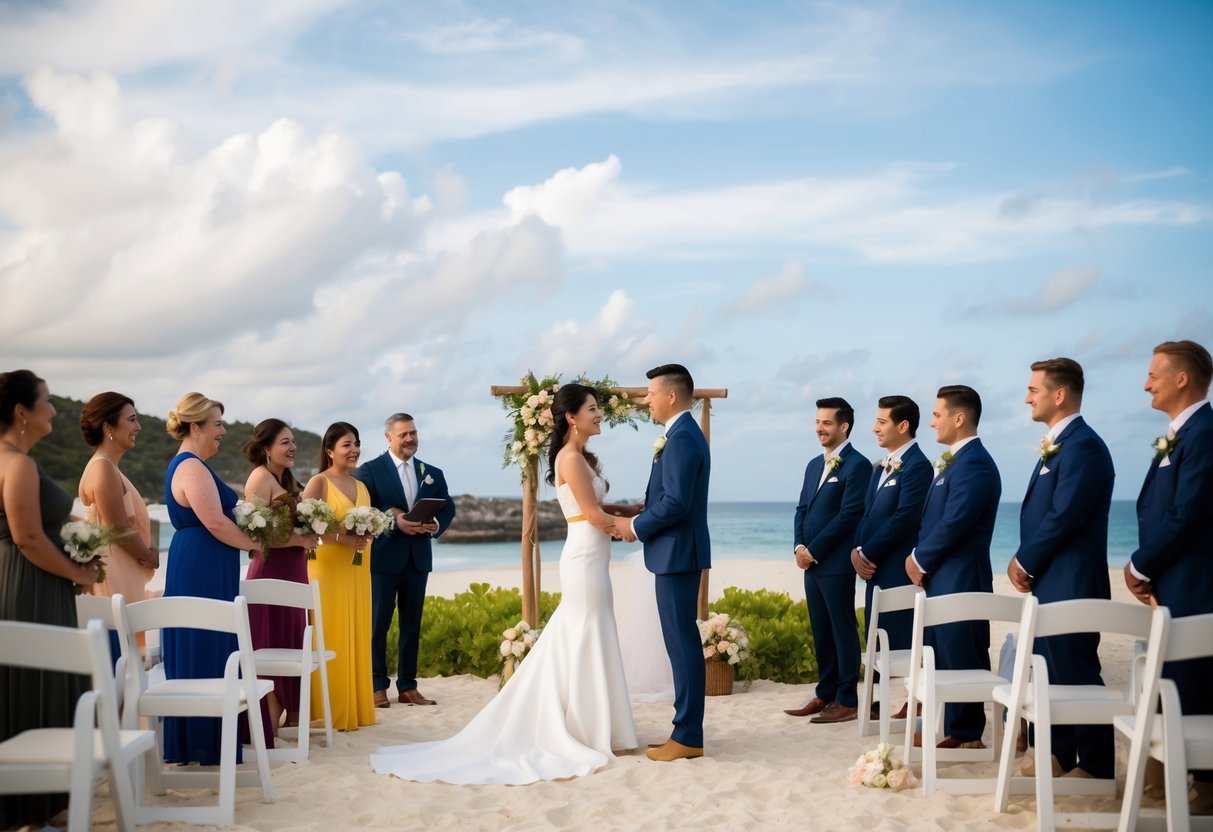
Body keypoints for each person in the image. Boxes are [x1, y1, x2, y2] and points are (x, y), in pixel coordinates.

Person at [370, 384, 637, 783]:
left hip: (592, 553)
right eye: (594, 409)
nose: (600, 415)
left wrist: (628, 511)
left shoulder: (579, 458)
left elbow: (597, 509)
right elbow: (592, 516)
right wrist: (633, 528)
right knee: (583, 631)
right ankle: (583, 725)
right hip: (584, 553)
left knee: (588, 631)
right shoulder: (571, 459)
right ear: (571, 417)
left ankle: (596, 723)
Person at [0, 370, 99, 828]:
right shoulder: (16, 464)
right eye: (46, 401)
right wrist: (77, 570)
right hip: (29, 586)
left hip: (18, 581)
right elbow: (29, 539)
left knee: (18, 681)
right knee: (35, 679)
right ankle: (36, 808)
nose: (55, 410)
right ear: (22, 412)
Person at [1008, 358, 1115, 779]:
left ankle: (1095, 764)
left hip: (1071, 576)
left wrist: (1024, 559)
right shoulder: (1059, 443)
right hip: (1050, 576)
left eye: (1033, 390)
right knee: (1049, 669)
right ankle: (1060, 755)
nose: (1026, 397)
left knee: (1077, 670)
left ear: (1059, 394)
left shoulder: (1084, 446)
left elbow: (1065, 514)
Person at [1123, 340, 1213, 807]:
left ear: (1181, 379)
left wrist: (1140, 564)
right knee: (1174, 675)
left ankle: (1205, 788)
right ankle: (1171, 781)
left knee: (1195, 676)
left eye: (1153, 375)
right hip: (1171, 579)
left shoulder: (1204, 434)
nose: (1145, 384)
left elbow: (1188, 513)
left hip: (1194, 581)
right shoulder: (1184, 433)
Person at [616, 363, 711, 762]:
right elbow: (665, 496)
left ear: (672, 395)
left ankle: (688, 735)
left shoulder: (684, 437)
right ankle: (685, 731)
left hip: (677, 554)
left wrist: (635, 527)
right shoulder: (678, 435)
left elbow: (677, 503)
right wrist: (632, 510)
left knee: (683, 644)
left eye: (651, 393)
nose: (646, 399)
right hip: (673, 553)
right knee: (680, 642)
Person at [161, 392, 262, 765]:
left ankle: (203, 743)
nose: (222, 430)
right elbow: (216, 522)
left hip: (206, 562)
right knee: (203, 642)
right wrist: (253, 545)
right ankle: (201, 744)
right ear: (195, 426)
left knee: (212, 643)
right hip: (199, 566)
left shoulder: (196, 465)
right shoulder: (190, 467)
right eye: (217, 423)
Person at [905, 385, 1001, 750]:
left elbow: (956, 521)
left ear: (959, 418)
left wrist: (918, 558)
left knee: (963, 653)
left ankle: (968, 735)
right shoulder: (955, 461)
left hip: (962, 576)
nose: (931, 423)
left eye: (936, 414)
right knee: (944, 654)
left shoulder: (975, 463)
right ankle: (954, 730)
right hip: (942, 577)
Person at [354, 413, 455, 709]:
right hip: (384, 558)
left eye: (413, 433)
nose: (410, 438)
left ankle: (408, 686)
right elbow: (364, 512)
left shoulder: (432, 471)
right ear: (389, 437)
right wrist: (394, 522)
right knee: (378, 626)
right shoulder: (370, 471)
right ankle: (376, 686)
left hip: (418, 559)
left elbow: (448, 507)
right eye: (403, 434)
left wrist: (436, 523)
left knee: (412, 626)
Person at [783, 398, 870, 724]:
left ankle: (846, 699)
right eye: (818, 421)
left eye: (827, 423)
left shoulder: (857, 465)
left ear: (844, 426)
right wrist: (799, 547)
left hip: (835, 564)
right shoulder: (812, 465)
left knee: (842, 629)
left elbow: (849, 516)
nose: (820, 427)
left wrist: (814, 550)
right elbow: (802, 509)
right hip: (811, 563)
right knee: (821, 630)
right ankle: (825, 693)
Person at [850, 395, 932, 721]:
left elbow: (905, 519)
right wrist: (855, 551)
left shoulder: (919, 467)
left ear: (903, 425)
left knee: (906, 640)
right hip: (875, 570)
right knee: (878, 638)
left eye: (881, 422)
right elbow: (866, 514)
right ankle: (880, 701)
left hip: (897, 569)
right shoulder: (880, 467)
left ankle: (916, 702)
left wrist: (867, 553)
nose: (874, 428)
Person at [243, 419, 312, 741]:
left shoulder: (287, 478)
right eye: (285, 442)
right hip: (270, 572)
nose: (292, 447)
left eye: (293, 441)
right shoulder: (259, 478)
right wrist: (300, 541)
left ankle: (292, 718)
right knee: (270, 646)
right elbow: (256, 535)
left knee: (291, 642)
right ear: (266, 448)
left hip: (294, 572)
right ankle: (266, 724)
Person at [304, 422, 375, 732]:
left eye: (356, 443)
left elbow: (370, 526)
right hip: (327, 568)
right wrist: (343, 539)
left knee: (356, 630)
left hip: (358, 569)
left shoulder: (362, 487)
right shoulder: (319, 483)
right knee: (330, 631)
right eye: (347, 444)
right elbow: (307, 529)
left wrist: (368, 536)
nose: (354, 449)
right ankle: (328, 710)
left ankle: (355, 709)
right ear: (330, 450)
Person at [78, 391, 158, 664]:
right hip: (115, 569)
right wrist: (148, 555)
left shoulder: (109, 467)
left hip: (122, 565)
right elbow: (118, 528)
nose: (138, 427)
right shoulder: (103, 468)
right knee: (121, 651)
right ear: (108, 427)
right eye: (132, 420)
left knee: (129, 650)